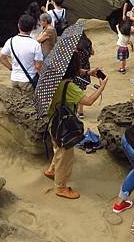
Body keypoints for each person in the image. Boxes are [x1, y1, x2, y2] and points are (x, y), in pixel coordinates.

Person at [43, 53, 108, 199]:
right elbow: (89, 100)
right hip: (64, 125)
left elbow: (71, 70)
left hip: (53, 121)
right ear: (73, 68)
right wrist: (102, 86)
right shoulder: (69, 86)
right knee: (66, 155)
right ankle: (60, 187)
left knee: (58, 149)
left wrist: (88, 72)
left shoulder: (53, 77)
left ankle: (52, 170)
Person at [0, 14, 43, 93]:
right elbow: (38, 66)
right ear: (32, 28)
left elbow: (1, 57)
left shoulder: (11, 41)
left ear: (18, 25)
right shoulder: (35, 44)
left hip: (15, 78)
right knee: (28, 104)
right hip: (28, 80)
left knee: (16, 103)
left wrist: (11, 68)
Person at [73, 33, 94, 118]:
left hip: (78, 69)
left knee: (75, 91)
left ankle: (77, 110)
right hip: (86, 67)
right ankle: (80, 111)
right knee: (81, 90)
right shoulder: (88, 42)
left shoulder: (75, 46)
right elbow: (92, 52)